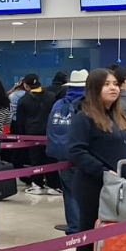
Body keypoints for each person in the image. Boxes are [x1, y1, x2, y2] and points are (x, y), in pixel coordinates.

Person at [67, 68, 126, 251]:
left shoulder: (119, 116)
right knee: (90, 237)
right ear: (94, 88)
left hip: (122, 188)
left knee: (115, 237)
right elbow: (76, 151)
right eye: (106, 84)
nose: (113, 88)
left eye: (115, 83)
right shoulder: (83, 117)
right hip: (93, 186)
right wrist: (105, 172)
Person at [47, 69, 87, 233]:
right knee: (87, 192)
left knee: (69, 192)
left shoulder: (59, 103)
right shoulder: (88, 104)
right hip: (83, 155)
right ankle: (86, 227)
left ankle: (73, 227)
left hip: (61, 153)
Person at [13, 73, 55, 194]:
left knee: (35, 158)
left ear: (25, 85)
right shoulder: (51, 96)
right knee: (50, 158)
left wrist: (20, 137)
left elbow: (20, 122)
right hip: (49, 132)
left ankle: (37, 184)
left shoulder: (23, 100)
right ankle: (53, 185)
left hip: (32, 133)